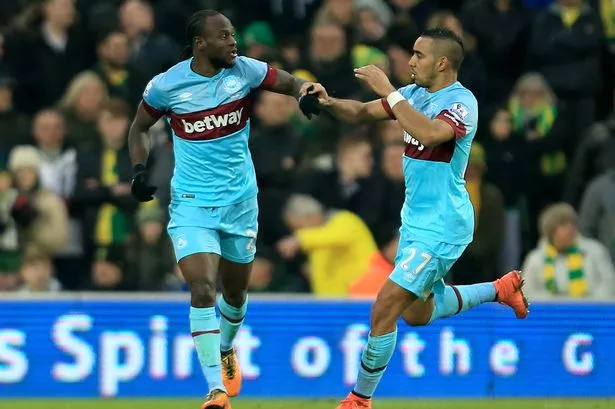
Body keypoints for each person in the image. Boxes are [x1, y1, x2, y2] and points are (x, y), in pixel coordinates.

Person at [305, 28, 529, 409]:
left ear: (442, 62)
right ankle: (500, 289)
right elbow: (360, 113)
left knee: (385, 305)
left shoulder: (461, 102)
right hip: (415, 222)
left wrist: (388, 89)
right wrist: (327, 102)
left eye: (418, 55)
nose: (410, 61)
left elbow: (430, 133)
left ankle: (359, 400)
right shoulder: (413, 96)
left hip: (445, 225)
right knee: (417, 314)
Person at [126, 10, 318, 409]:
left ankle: (227, 348)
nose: (234, 41)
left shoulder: (245, 71)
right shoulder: (167, 86)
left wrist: (305, 92)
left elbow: (291, 81)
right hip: (192, 205)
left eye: (233, 34)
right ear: (201, 43)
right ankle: (215, 390)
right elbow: (139, 128)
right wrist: (139, 169)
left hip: (241, 203)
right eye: (224, 35)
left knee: (235, 293)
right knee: (201, 289)